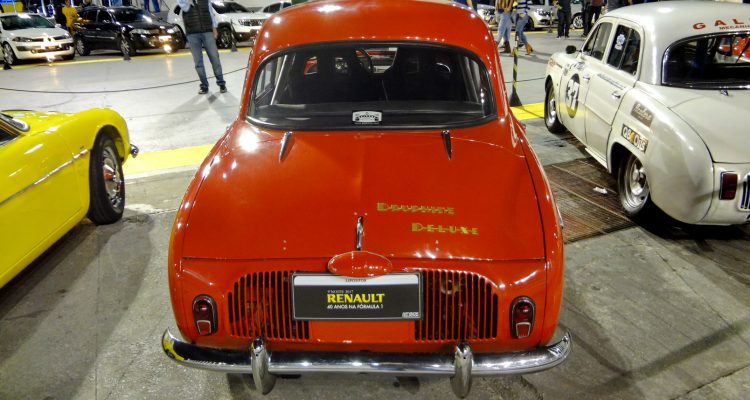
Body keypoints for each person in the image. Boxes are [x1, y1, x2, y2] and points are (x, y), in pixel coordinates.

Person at [177, 0, 227, 94]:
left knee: (215, 58)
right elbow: (185, 8)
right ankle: (204, 85)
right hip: (192, 34)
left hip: (207, 31)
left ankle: (221, 83)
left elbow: (211, 13)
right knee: (198, 62)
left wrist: (214, 28)